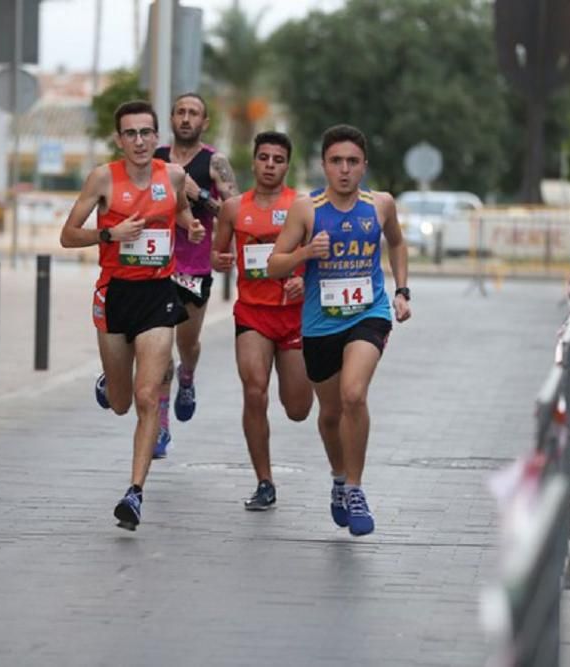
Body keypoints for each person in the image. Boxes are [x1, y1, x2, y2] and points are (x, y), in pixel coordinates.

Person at [60, 100, 204, 530]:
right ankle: (110, 380)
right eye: (131, 134)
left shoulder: (173, 176)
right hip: (115, 294)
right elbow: (68, 235)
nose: (140, 141)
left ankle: (135, 492)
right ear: (119, 140)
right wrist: (109, 233)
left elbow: (178, 207)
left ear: (157, 138)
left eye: (146, 133)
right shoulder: (103, 178)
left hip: (158, 295)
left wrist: (189, 226)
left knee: (147, 397)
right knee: (121, 402)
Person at [267, 124, 411, 536]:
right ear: (324, 166)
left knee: (353, 394)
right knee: (330, 414)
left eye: (352, 162)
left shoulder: (380, 205)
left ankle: (356, 487)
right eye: (336, 162)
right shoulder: (305, 209)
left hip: (369, 313)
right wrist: (305, 253)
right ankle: (337, 476)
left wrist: (401, 290)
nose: (344, 170)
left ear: (364, 165)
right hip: (319, 324)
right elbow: (273, 264)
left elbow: (397, 243)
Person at [211, 131, 313, 510]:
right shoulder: (234, 209)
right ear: (253, 162)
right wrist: (216, 260)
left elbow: (319, 256)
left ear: (287, 165)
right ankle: (264, 481)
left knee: (298, 409)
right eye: (264, 158)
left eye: (278, 159)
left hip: (295, 316)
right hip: (253, 313)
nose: (270, 165)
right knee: (254, 391)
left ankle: (302, 390)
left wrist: (305, 278)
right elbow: (217, 252)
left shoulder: (302, 206)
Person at [151, 93, 239, 458]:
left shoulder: (214, 161)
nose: (186, 118)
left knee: (185, 344)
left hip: (195, 266)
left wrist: (199, 194)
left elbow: (235, 211)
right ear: (171, 119)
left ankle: (187, 376)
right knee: (158, 348)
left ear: (204, 123)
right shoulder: (154, 158)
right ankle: (161, 427)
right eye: (180, 112)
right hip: (154, 264)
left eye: (194, 114)